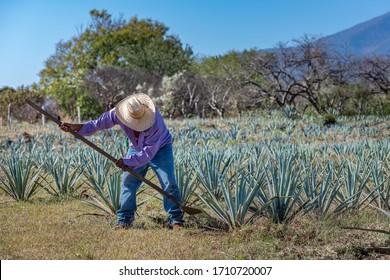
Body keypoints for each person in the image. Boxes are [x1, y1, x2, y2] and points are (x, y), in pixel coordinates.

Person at [59, 93, 184, 230]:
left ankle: (176, 219)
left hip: (160, 148)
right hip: (136, 147)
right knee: (128, 182)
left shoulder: (155, 123)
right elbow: (98, 124)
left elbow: (148, 153)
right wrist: (78, 128)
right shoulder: (118, 113)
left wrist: (127, 161)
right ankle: (124, 219)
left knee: (168, 182)